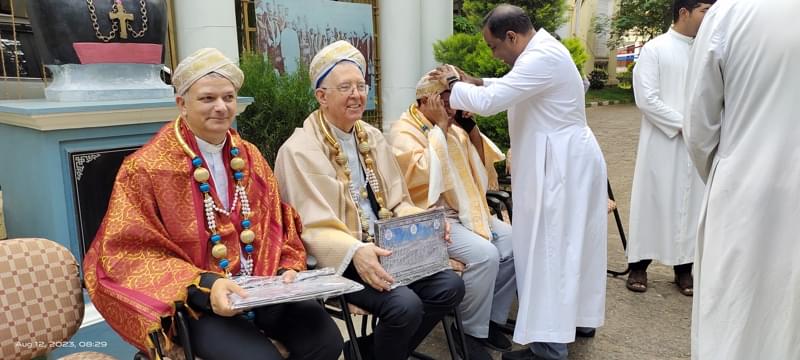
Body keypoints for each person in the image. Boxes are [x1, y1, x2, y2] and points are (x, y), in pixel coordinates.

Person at [82, 48, 343, 360]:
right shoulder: (146, 169)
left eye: (229, 98)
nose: (221, 107)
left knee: (327, 342)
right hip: (197, 306)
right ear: (182, 104)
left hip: (262, 289)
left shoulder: (250, 157)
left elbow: (279, 223)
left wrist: (288, 267)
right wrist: (205, 286)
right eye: (207, 99)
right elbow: (129, 252)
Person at [432, 5, 607, 360]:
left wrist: (451, 84)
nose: (494, 55)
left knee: (550, 249)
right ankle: (573, 322)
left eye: (495, 47)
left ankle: (549, 348)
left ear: (512, 36)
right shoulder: (542, 52)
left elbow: (493, 100)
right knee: (569, 246)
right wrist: (472, 80)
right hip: (566, 159)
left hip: (559, 167)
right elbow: (504, 86)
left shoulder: (540, 57)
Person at [274, 40, 465, 360]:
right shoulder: (298, 150)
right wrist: (355, 250)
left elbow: (397, 201)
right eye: (345, 87)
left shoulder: (372, 137)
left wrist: (427, 224)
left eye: (361, 86)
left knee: (449, 286)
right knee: (405, 305)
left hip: (388, 250)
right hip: (340, 259)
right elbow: (307, 227)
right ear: (321, 96)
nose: (357, 95)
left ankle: (364, 352)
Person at [684, 0, 800, 358]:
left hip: (746, 191)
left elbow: (699, 126)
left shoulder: (731, 13)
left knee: (734, 313)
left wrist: (724, 173)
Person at [388, 73, 516, 358]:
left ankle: (491, 319)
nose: (453, 107)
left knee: (513, 243)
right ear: (425, 100)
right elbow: (420, 181)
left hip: (468, 210)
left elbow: (482, 174)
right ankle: (468, 330)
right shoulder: (404, 131)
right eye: (446, 101)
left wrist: (469, 127)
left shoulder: (454, 126)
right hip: (431, 218)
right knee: (485, 255)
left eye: (454, 101)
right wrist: (441, 131)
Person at [626, 0, 714, 295]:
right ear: (684, 12)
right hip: (663, 142)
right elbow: (647, 99)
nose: (710, 16)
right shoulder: (655, 48)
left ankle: (684, 269)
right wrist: (687, 124)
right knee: (654, 200)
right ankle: (639, 265)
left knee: (691, 206)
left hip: (697, 144)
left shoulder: (709, 50)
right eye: (705, 10)